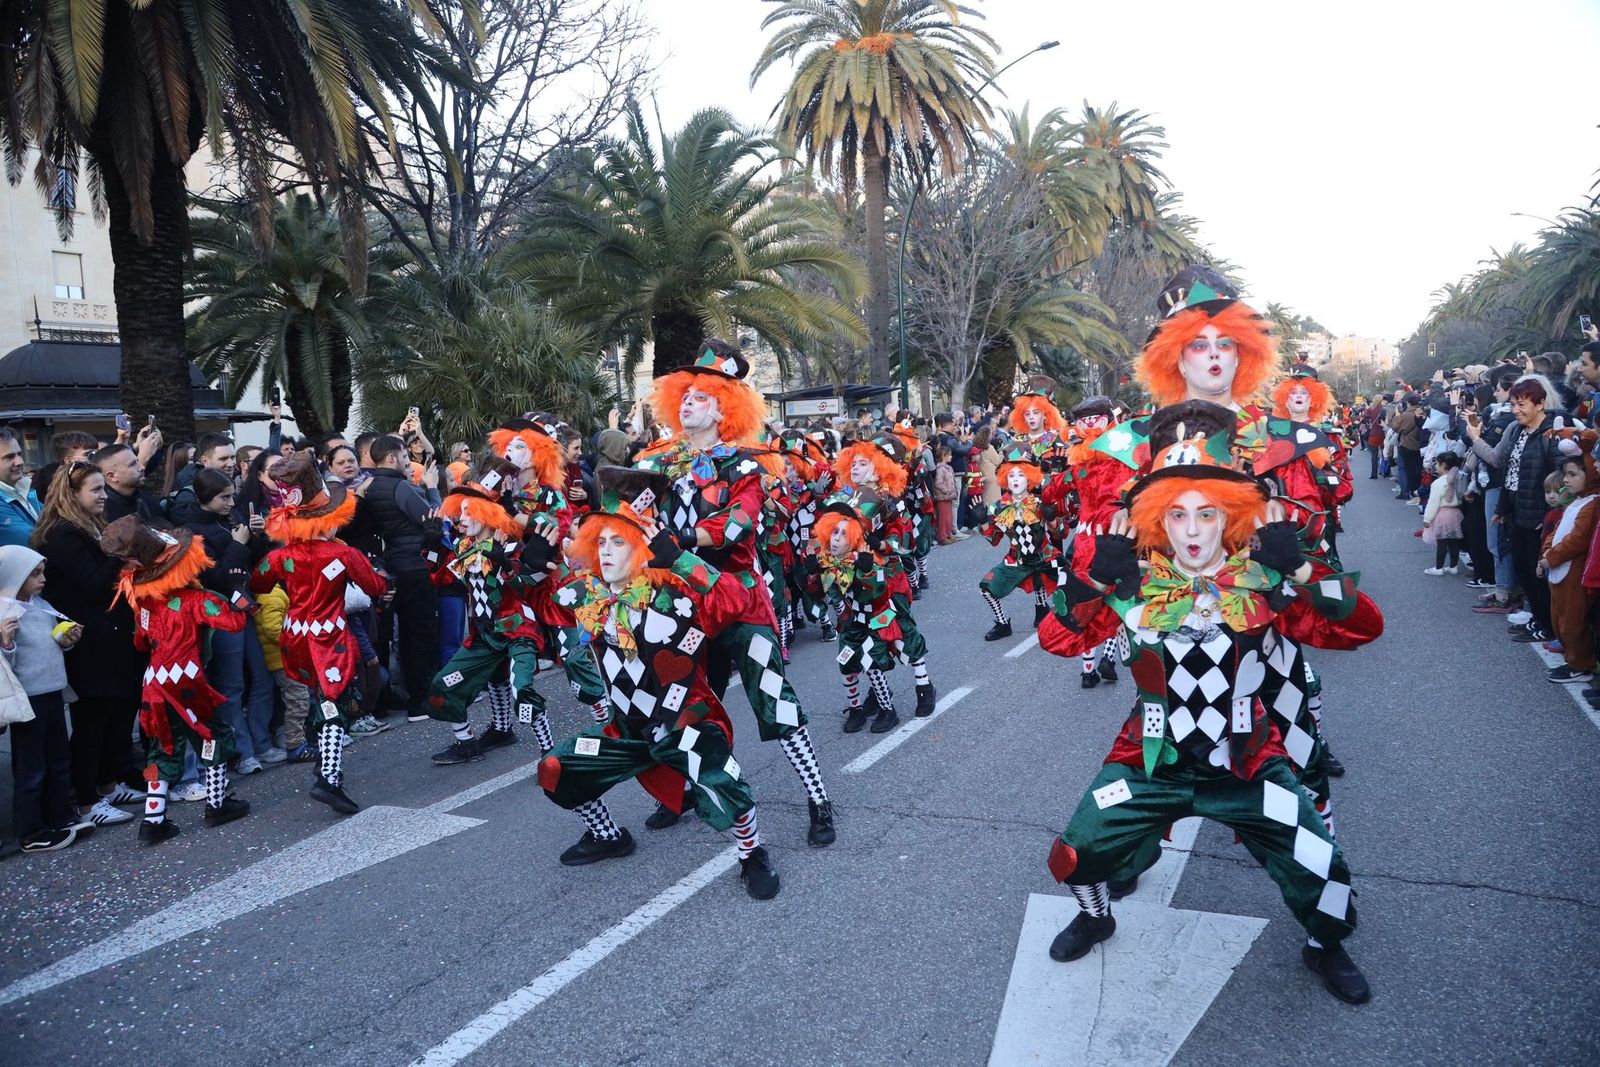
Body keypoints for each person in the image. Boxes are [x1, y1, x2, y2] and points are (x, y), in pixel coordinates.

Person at [1038, 399, 1383, 1004]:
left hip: (1248, 761)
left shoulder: (1264, 579)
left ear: (1231, 514)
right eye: (1177, 514)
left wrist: (1301, 569)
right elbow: (1056, 639)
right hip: (1150, 759)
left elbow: (1363, 628)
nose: (1193, 531)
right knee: (1074, 852)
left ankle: (1324, 945)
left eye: (1208, 513)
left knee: (1321, 866)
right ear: (1156, 519)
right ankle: (1096, 918)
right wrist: (1093, 580)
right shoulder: (1133, 583)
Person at [538, 468, 781, 899]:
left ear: (642, 547)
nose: (606, 550)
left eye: (619, 541)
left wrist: (682, 558)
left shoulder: (674, 594)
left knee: (724, 783)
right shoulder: (587, 595)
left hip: (683, 723)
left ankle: (752, 854)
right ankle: (608, 835)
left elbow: (735, 600)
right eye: (601, 541)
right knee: (556, 768)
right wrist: (533, 563)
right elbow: (546, 605)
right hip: (626, 733)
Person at [636, 341, 834, 845]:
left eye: (701, 397)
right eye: (685, 395)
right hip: (685, 607)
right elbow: (631, 518)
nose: (689, 403)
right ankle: (683, 791)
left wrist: (681, 539)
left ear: (724, 409)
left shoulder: (745, 467)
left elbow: (737, 524)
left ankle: (818, 799)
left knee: (775, 703)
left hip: (740, 604)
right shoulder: (660, 466)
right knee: (682, 704)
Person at [250, 456, 388, 814]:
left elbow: (258, 583)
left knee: (319, 697)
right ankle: (328, 778)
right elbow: (374, 586)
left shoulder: (280, 557)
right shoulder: (343, 553)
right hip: (329, 638)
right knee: (335, 702)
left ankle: (326, 762)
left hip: (294, 637)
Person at [101, 516, 252, 842]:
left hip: (154, 681)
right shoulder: (197, 600)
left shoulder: (144, 606)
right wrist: (238, 593)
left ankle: (153, 819)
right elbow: (234, 622)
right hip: (186, 679)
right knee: (212, 734)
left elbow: (140, 642)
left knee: (163, 745)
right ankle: (217, 802)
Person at [423, 459, 562, 765]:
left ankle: (550, 753)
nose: (461, 518)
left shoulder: (510, 547)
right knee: (442, 685)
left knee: (521, 689)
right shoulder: (462, 548)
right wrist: (432, 546)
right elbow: (441, 578)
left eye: (468, 511)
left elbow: (530, 587)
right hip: (484, 636)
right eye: (460, 511)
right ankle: (468, 742)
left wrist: (509, 566)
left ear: (487, 513)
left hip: (517, 632)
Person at [31, 462, 148, 823]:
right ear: (71, 494)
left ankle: (108, 785)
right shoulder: (61, 534)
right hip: (87, 639)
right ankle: (86, 801)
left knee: (114, 714)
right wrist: (120, 554)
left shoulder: (89, 525)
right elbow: (93, 584)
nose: (103, 496)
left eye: (102, 488)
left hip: (111, 633)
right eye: (95, 490)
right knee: (91, 721)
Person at [812, 491, 935, 734]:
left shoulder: (891, 499)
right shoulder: (848, 496)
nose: (836, 538)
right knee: (850, 659)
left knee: (902, 639)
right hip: (855, 614)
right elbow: (825, 591)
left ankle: (922, 687)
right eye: (834, 533)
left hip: (886, 589)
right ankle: (864, 704)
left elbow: (904, 541)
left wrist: (877, 551)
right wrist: (810, 576)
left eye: (842, 534)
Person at [0, 545, 91, 851]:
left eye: (42, 572)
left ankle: (60, 817)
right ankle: (31, 831)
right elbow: (4, 664)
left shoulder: (41, 605)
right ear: (14, 576)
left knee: (58, 760)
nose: (43, 579)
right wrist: (6, 644)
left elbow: (51, 642)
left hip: (52, 691)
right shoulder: (5, 612)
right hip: (28, 699)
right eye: (34, 574)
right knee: (32, 767)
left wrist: (66, 641)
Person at [1465, 375, 1567, 644]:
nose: (1516, 410)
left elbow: (1560, 477)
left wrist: (1549, 514)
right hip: (1516, 512)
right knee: (1523, 569)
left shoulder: (1551, 434)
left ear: (1540, 403)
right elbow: (1509, 473)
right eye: (1513, 404)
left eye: (1522, 405)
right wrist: (1502, 508)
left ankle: (1547, 625)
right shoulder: (1519, 431)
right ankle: (1538, 620)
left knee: (1538, 574)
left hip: (1539, 517)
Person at [361, 434, 440, 724]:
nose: (408, 463)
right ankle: (420, 701)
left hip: (389, 567)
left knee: (389, 638)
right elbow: (432, 518)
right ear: (392, 458)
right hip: (414, 567)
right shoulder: (401, 486)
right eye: (405, 457)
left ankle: (383, 702)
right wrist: (432, 488)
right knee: (419, 635)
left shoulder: (368, 488)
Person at [976, 446, 1062, 641]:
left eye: (1021, 475)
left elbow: (1060, 532)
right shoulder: (999, 508)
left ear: (1030, 478)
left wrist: (1052, 518)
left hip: (1046, 556)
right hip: (1017, 560)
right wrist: (983, 522)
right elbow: (994, 539)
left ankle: (1044, 610)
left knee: (1075, 582)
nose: (1016, 480)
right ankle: (1002, 624)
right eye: (1011, 475)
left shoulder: (1039, 503)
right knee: (986, 588)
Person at [1542, 434, 1598, 683]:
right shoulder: (1577, 501)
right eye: (1566, 474)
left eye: (1573, 474)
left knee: (1573, 621)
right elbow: (1557, 530)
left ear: (1590, 475)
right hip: (1559, 569)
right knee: (1560, 617)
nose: (1566, 480)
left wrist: (1551, 557)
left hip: (1573, 571)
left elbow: (1578, 540)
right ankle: (1571, 658)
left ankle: (1580, 664)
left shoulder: (1592, 504)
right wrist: (1546, 552)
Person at [1422, 452, 1466, 574]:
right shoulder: (1459, 478)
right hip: (1456, 513)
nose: (1435, 466)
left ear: (1443, 465)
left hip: (1443, 514)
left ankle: (1438, 568)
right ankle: (1453, 566)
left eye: (1437, 463)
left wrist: (1427, 518)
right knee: (1454, 542)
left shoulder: (1438, 483)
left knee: (1441, 541)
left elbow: (1433, 503)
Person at [95, 444, 160, 523]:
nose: (142, 467)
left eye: (137, 461)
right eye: (132, 464)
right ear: (112, 476)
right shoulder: (101, 513)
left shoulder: (150, 504)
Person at [0, 427, 40, 548]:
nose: (20, 461)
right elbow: (34, 542)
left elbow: (57, 520)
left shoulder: (25, 490)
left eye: (19, 454)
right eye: (9, 457)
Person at [932, 445, 957, 544]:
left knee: (948, 517)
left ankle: (948, 533)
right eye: (949, 455)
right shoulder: (940, 469)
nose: (951, 457)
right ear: (944, 456)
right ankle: (942, 536)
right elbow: (938, 483)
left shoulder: (948, 468)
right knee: (943, 517)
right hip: (943, 496)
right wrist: (947, 490)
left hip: (948, 496)